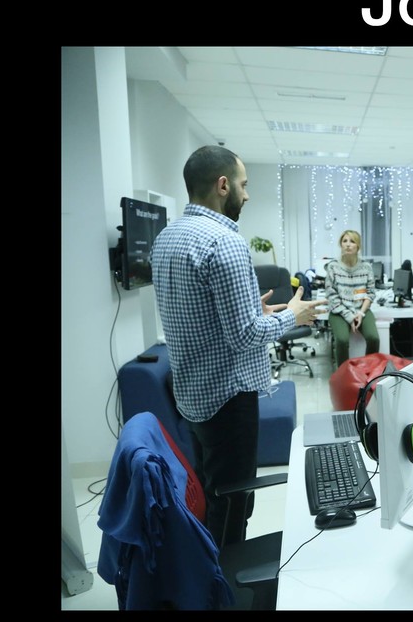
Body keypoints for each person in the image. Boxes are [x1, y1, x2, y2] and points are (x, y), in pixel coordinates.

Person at [150, 145, 323, 548]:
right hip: (227, 399)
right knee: (233, 503)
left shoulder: (166, 237)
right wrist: (292, 316)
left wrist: (250, 309)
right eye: (244, 185)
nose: (247, 195)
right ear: (223, 185)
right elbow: (245, 336)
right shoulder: (225, 242)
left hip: (192, 395)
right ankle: (225, 578)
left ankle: (206, 563)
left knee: (210, 492)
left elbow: (193, 310)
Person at [324, 229, 380, 368]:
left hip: (361, 309)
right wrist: (349, 316)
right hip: (339, 310)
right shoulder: (333, 267)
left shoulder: (366, 267)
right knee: (342, 340)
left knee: (374, 338)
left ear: (358, 246)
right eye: (345, 241)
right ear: (341, 245)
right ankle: (344, 374)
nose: (348, 244)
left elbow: (370, 293)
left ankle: (369, 370)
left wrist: (361, 313)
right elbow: (331, 296)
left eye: (352, 241)